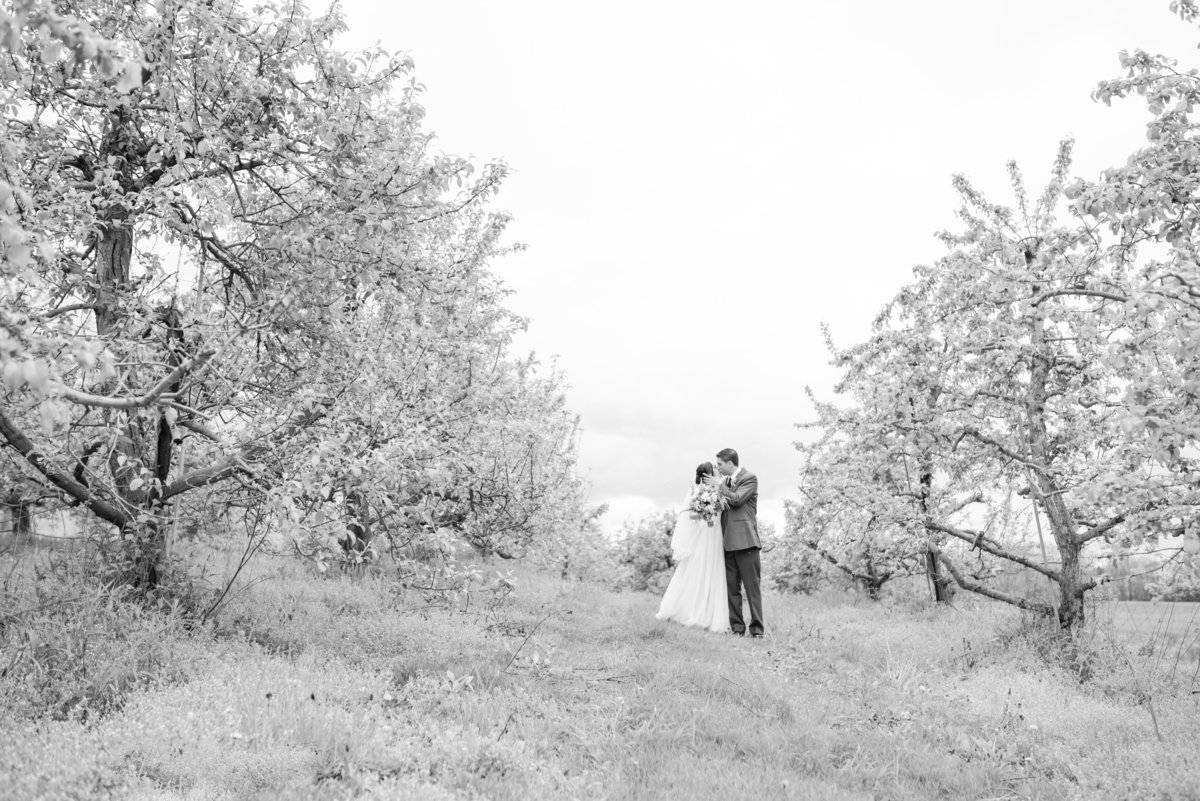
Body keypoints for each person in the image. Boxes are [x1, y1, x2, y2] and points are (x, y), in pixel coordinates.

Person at [655, 462, 731, 633]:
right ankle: (687, 610)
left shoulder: (719, 489)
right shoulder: (696, 491)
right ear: (707, 475)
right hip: (704, 533)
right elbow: (690, 514)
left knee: (713, 570)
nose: (717, 472)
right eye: (714, 471)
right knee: (696, 568)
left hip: (716, 533)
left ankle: (711, 615)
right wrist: (705, 512)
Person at [705, 447, 764, 637]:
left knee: (752, 589)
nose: (718, 468)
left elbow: (737, 499)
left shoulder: (749, 478)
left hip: (746, 542)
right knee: (732, 589)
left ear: (730, 463)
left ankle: (757, 630)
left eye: (720, 465)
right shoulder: (724, 482)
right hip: (727, 541)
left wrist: (719, 485)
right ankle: (737, 628)